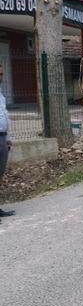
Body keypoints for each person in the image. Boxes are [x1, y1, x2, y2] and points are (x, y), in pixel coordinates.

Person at [0, 63, 14, 221]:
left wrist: (8, 138)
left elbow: (4, 116)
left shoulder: (1, 96)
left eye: (2, 74)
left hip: (2, 138)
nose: (1, 77)